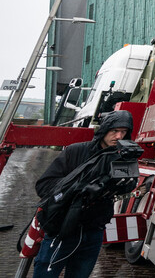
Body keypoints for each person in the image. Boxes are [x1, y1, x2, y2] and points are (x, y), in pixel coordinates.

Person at [32, 109, 134, 278]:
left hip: (93, 232)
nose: (119, 137)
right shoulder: (75, 151)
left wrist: (125, 184)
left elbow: (123, 188)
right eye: (114, 131)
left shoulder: (120, 158)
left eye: (123, 132)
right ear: (104, 130)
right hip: (62, 229)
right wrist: (80, 188)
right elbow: (43, 186)